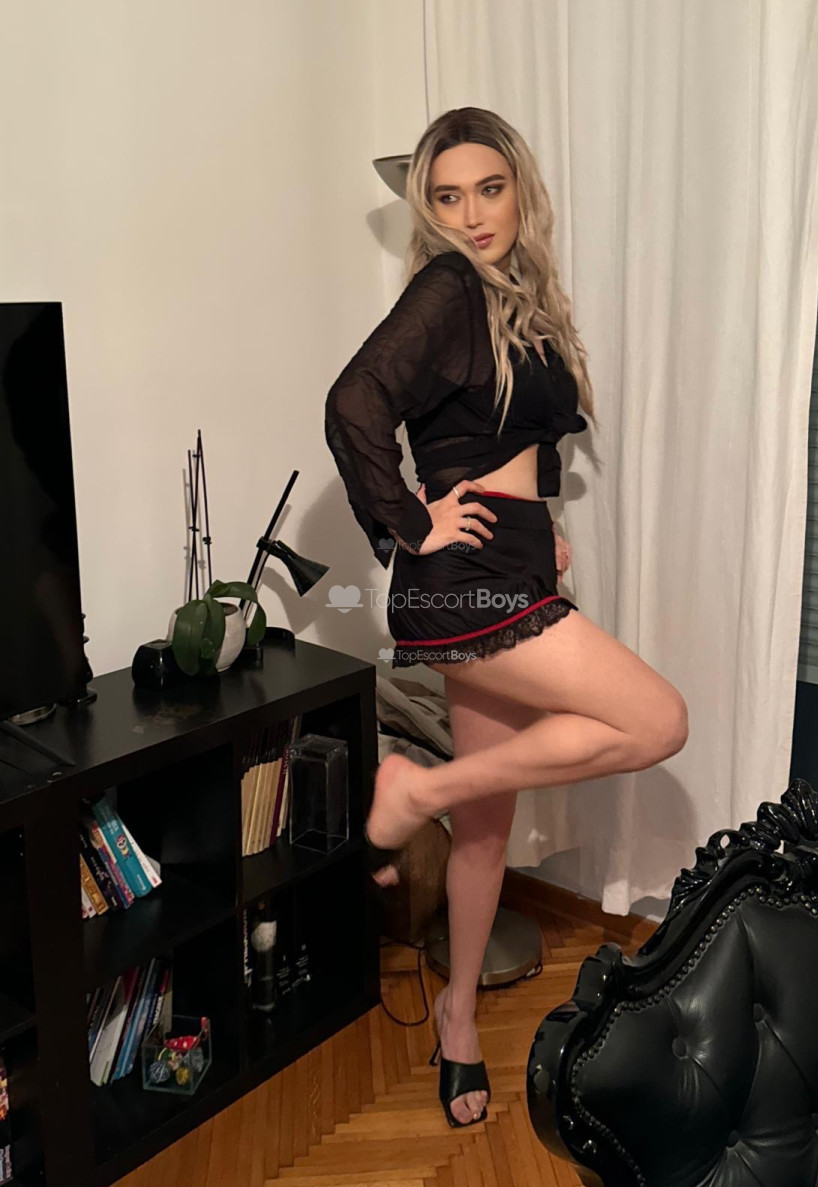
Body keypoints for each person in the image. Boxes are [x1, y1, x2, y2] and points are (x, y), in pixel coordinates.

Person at [324, 107, 688, 1129]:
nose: (471, 213)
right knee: (657, 721)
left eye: (488, 189)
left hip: (512, 561)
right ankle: (418, 788)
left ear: (519, 190)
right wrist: (410, 523)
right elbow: (353, 404)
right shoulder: (447, 287)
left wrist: (545, 524)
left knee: (487, 831)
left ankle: (455, 1022)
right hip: (466, 576)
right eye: (447, 197)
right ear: (428, 209)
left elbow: (520, 437)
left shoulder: (514, 297)